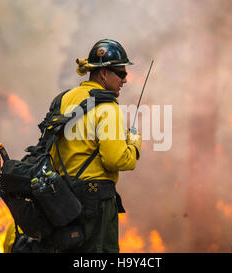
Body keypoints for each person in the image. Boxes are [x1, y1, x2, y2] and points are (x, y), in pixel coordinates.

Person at [50, 39, 142, 253]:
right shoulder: (108, 108)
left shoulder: (64, 99)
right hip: (95, 200)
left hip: (61, 198)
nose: (125, 80)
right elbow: (115, 159)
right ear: (103, 74)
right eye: (121, 73)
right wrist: (134, 145)